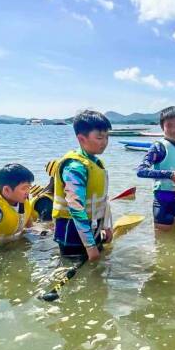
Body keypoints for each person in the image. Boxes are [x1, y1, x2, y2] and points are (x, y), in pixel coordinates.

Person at [52, 110, 113, 261]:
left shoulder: (95, 162)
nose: (104, 142)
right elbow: (76, 208)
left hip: (93, 229)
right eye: (99, 137)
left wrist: (106, 226)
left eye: (107, 137)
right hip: (72, 232)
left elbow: (103, 199)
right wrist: (90, 247)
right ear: (81, 138)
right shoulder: (75, 167)